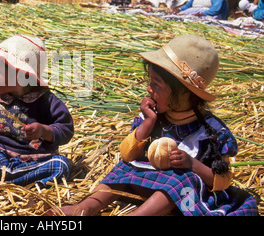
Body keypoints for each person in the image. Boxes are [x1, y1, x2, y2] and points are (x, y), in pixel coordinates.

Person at [52, 35, 258, 216]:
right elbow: (127, 155)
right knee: (124, 166)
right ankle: (87, 207)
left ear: (185, 92)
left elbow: (223, 180)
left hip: (184, 199)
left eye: (156, 84)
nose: (149, 89)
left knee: (181, 180)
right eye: (149, 81)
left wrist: (191, 164)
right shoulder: (153, 116)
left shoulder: (211, 132)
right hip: (146, 183)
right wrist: (148, 123)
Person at [0, 35, 74, 187]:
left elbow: (66, 129)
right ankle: (21, 181)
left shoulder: (47, 102)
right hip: (0, 159)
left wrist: (44, 131)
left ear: (22, 75)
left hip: (35, 161)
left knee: (60, 165)